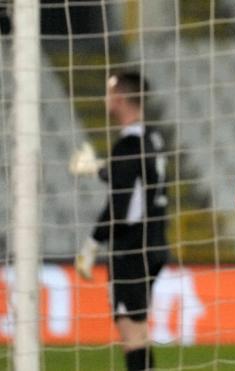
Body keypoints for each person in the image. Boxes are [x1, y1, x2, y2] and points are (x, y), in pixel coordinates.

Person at [74, 71, 169, 371]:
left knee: (131, 332)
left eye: (108, 92)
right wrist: (97, 169)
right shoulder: (152, 137)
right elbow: (133, 178)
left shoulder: (127, 145)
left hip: (130, 249)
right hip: (155, 244)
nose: (105, 98)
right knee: (139, 330)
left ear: (118, 98)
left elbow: (122, 207)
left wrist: (92, 244)